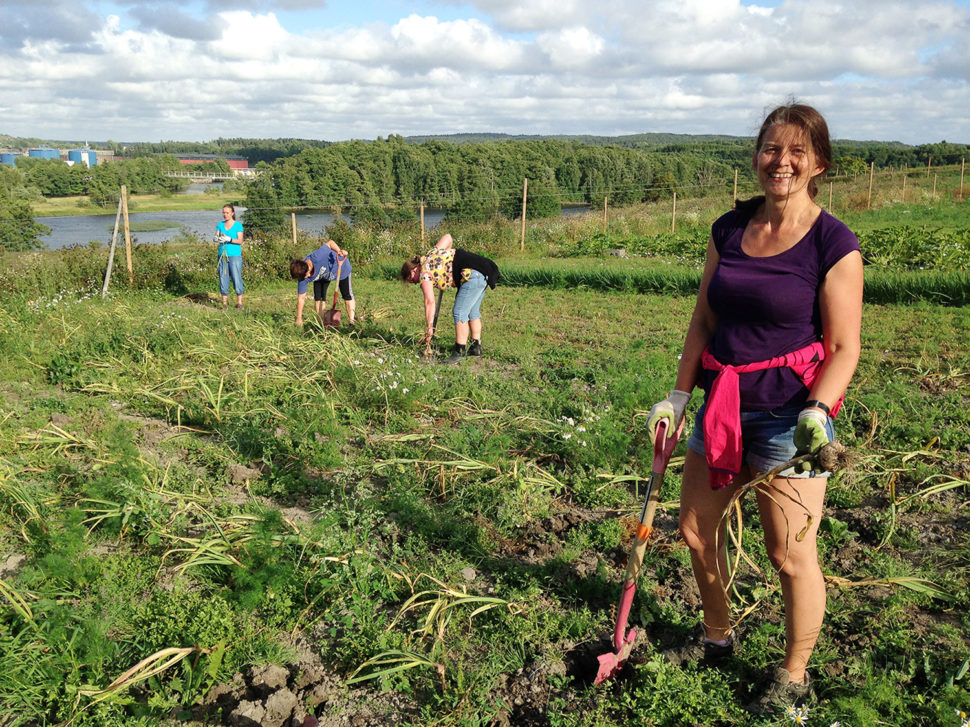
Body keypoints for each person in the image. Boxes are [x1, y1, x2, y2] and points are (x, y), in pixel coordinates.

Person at [646, 103, 863, 714]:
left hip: (789, 418)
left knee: (789, 554)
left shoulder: (833, 242)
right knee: (694, 531)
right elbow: (703, 319)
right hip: (720, 405)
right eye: (771, 148)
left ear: (819, 163)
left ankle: (794, 673)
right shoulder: (728, 229)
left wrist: (819, 409)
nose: (782, 161)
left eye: (797, 151)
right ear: (756, 155)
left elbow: (844, 346)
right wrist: (678, 395)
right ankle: (716, 636)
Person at [399, 233, 500, 364]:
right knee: (472, 312)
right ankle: (476, 347)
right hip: (484, 269)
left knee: (459, 312)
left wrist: (429, 328)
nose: (414, 282)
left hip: (472, 275)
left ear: (412, 271)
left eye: (411, 280)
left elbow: (429, 302)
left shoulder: (425, 274)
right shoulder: (431, 254)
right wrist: (448, 258)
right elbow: (448, 237)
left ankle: (460, 351)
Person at [289, 240, 356, 327]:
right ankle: (321, 325)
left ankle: (352, 322)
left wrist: (339, 252)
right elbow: (301, 298)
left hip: (340, 267)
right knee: (318, 298)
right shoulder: (301, 275)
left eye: (307, 275)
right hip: (323, 275)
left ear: (308, 269)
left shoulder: (317, 257)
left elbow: (330, 243)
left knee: (347, 295)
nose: (307, 278)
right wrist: (299, 318)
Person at [215, 203, 244, 310]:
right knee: (223, 278)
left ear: (232, 213)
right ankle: (224, 304)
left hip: (235, 256)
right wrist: (217, 238)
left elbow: (240, 241)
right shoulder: (220, 224)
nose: (225, 215)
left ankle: (239, 303)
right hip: (222, 255)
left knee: (236, 278)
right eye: (223, 212)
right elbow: (217, 235)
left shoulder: (238, 225)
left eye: (227, 213)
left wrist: (229, 239)